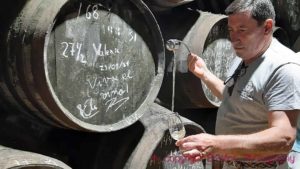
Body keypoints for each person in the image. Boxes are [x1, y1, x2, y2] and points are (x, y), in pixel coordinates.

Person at [175, 0, 300, 168]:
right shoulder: (247, 54)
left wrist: (216, 144)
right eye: (231, 30)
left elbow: (284, 138)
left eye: (242, 30)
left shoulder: (283, 69)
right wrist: (205, 75)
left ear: (267, 27)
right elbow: (237, 99)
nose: (234, 38)